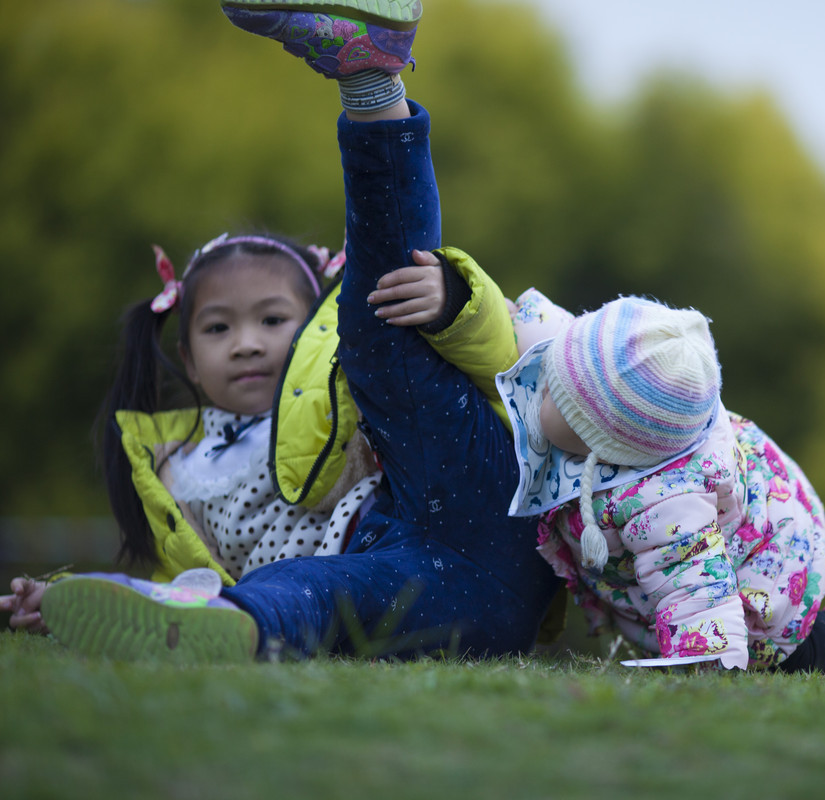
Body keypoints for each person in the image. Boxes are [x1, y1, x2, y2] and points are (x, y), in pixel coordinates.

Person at [2, 0, 561, 662]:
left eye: (272, 321)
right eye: (218, 328)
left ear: (310, 332)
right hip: (401, 591)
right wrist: (67, 601)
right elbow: (178, 589)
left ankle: (371, 78)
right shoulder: (174, 472)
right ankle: (240, 634)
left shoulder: (347, 375)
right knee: (294, 592)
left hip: (480, 498)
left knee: (386, 320)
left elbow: (508, 358)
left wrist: (457, 302)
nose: (247, 342)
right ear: (187, 353)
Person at [477, 283, 825, 673]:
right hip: (756, 490)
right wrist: (470, 303)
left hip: (761, 568)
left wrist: (706, 657)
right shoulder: (588, 358)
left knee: (783, 656)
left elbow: (694, 590)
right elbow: (543, 334)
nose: (541, 383)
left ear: (602, 442)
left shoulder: (665, 504)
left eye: (555, 396)